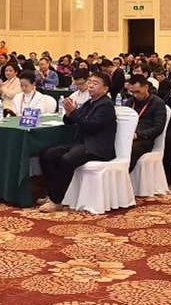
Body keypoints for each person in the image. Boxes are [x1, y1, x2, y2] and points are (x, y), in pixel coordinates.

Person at [36, 71, 116, 212]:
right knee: (47, 154)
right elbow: (71, 121)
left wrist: (74, 112)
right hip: (83, 144)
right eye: (90, 82)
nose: (91, 86)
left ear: (105, 89)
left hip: (97, 147)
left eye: (95, 83)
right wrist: (68, 114)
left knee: (67, 159)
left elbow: (91, 126)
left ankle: (56, 200)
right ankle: (53, 193)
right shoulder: (90, 103)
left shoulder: (106, 105)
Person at [124, 74, 165, 172]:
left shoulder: (158, 103)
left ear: (146, 87)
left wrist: (138, 135)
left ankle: (124, 175)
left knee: (130, 150)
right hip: (129, 136)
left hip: (145, 139)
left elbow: (158, 128)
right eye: (132, 92)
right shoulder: (130, 102)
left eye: (138, 92)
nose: (135, 95)